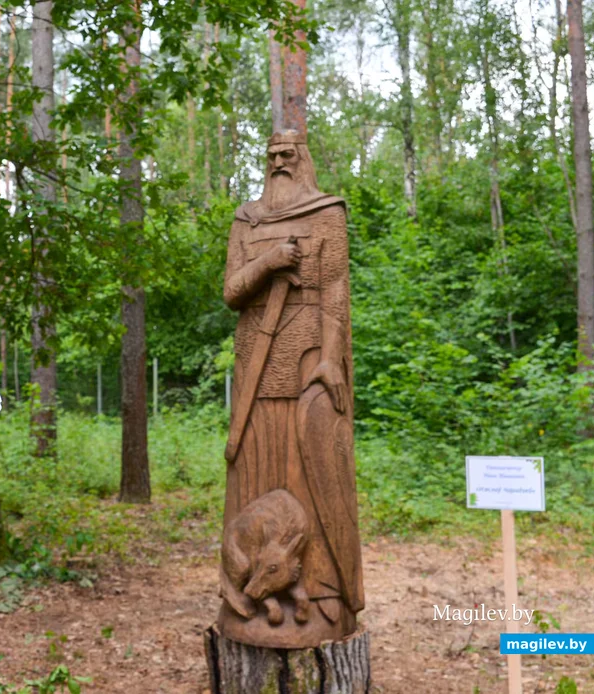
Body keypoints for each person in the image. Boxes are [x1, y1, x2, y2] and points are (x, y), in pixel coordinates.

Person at [219, 129, 363, 647]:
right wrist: (270, 261)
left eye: (289, 154)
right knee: (256, 476)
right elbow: (233, 292)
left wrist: (330, 359)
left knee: (311, 472)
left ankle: (321, 594)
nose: (280, 162)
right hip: (257, 364)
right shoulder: (248, 218)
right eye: (272, 155)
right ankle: (253, 591)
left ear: (303, 159)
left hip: (307, 362)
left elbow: (336, 289)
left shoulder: (327, 212)